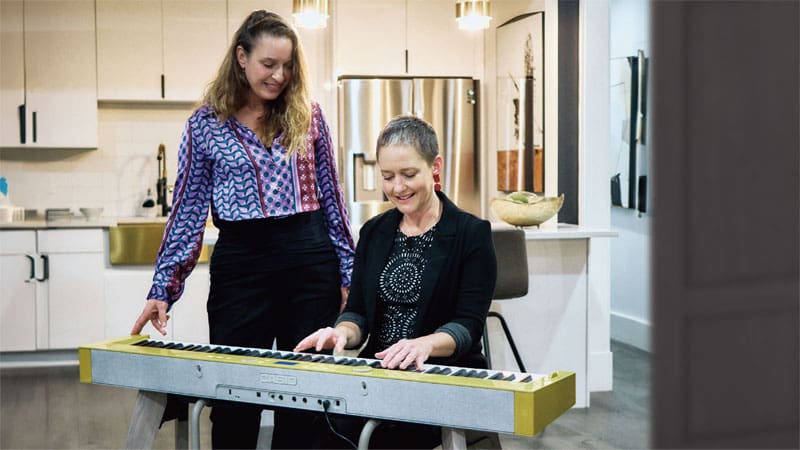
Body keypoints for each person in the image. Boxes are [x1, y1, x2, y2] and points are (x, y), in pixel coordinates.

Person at [129, 10, 355, 450]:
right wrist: (163, 288)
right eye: (269, 64)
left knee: (307, 397)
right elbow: (189, 209)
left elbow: (333, 199)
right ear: (241, 58)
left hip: (310, 261)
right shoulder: (205, 125)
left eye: (288, 66)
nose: (279, 75)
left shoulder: (309, 116)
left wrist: (349, 275)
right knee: (234, 397)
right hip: (242, 265)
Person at [295, 115, 497, 449]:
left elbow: (467, 325)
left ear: (435, 168)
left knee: (386, 438)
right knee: (322, 429)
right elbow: (357, 312)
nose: (397, 188)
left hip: (443, 375)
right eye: (387, 177)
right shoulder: (374, 233)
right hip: (380, 374)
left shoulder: (470, 234)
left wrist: (424, 345)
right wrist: (340, 333)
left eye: (409, 174)